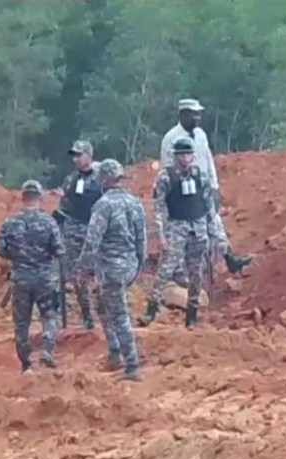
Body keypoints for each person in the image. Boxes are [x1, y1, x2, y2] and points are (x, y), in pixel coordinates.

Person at [160, 98, 252, 277]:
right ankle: (179, 271)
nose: (197, 118)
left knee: (214, 223)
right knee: (183, 233)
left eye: (198, 114)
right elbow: (168, 169)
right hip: (182, 194)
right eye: (193, 114)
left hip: (203, 189)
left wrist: (215, 186)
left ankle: (229, 257)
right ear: (183, 114)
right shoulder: (171, 138)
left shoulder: (200, 135)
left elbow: (208, 160)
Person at [139, 137, 221, 328]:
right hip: (177, 228)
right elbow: (158, 206)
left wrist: (213, 234)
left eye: (188, 153)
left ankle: (191, 315)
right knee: (166, 269)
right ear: (175, 156)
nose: (185, 157)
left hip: (198, 228)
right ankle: (151, 309)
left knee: (196, 272)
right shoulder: (166, 177)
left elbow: (209, 207)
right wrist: (160, 234)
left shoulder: (200, 176)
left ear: (192, 155)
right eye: (181, 154)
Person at [77, 159, 146, 380]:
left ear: (104, 179)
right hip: (129, 265)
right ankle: (115, 352)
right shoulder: (135, 203)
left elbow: (92, 240)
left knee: (119, 315)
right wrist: (138, 265)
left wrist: (83, 268)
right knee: (102, 305)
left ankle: (132, 365)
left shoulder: (103, 205)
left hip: (111, 268)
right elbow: (141, 240)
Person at [0, 180, 65, 373]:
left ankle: (26, 363)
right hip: (44, 278)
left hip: (20, 279)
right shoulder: (49, 222)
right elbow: (60, 250)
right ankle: (47, 350)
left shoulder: (10, 223)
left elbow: (0, 249)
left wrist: (18, 257)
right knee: (50, 316)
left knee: (21, 322)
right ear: (40, 198)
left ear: (23, 197)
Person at [52, 140, 103, 329]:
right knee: (76, 276)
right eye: (74, 155)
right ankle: (87, 317)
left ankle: (106, 315)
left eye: (79, 155)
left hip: (95, 232)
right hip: (73, 232)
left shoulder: (100, 179)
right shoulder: (70, 180)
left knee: (101, 274)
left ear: (89, 155)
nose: (75, 159)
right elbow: (64, 207)